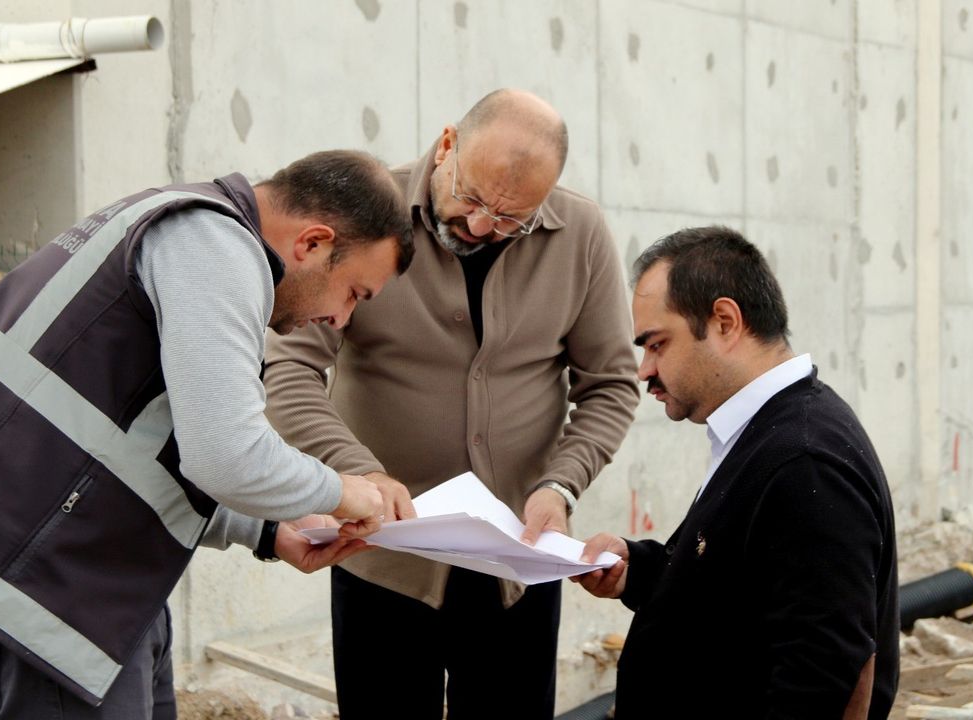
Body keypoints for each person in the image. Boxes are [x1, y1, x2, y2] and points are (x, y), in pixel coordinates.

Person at [0, 149, 415, 719]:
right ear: (313, 243)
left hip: (74, 583)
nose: (342, 320)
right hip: (31, 593)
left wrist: (267, 530)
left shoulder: (185, 228)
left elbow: (137, 445)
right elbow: (228, 455)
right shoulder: (213, 246)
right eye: (353, 293)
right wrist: (349, 491)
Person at [263, 89, 639, 719]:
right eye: (473, 198)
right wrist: (359, 474)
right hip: (380, 554)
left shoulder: (583, 234)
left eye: (513, 219)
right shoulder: (364, 215)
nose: (483, 227)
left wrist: (561, 486)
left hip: (519, 564)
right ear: (446, 147)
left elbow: (611, 383)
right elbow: (288, 369)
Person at [574, 226, 900, 719]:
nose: (644, 371)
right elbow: (741, 591)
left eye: (657, 345)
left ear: (725, 322)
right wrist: (639, 570)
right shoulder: (769, 435)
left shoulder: (804, 461)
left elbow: (821, 673)